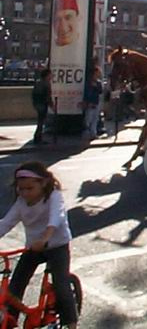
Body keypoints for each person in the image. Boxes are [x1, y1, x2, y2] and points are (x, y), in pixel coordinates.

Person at [0, 161, 78, 328]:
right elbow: (6, 223)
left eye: (29, 188)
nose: (24, 193)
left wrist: (45, 238)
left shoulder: (53, 196)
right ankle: (10, 321)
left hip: (57, 245)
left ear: (43, 183)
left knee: (61, 284)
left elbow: (56, 217)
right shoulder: (21, 203)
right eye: (21, 189)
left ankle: (71, 324)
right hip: (34, 247)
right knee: (16, 284)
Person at [31, 69, 52, 144]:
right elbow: (48, 97)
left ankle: (38, 137)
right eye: (50, 75)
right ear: (47, 76)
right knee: (41, 122)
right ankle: (38, 138)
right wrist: (51, 105)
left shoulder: (38, 83)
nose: (51, 76)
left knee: (40, 121)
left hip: (37, 104)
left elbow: (34, 94)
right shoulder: (46, 84)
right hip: (42, 104)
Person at [82, 66, 102, 140]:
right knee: (88, 118)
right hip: (90, 102)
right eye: (96, 73)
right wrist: (87, 102)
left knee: (95, 119)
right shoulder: (88, 82)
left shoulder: (98, 82)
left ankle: (93, 133)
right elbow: (86, 92)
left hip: (96, 101)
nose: (98, 74)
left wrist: (96, 87)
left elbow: (100, 91)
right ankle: (86, 133)